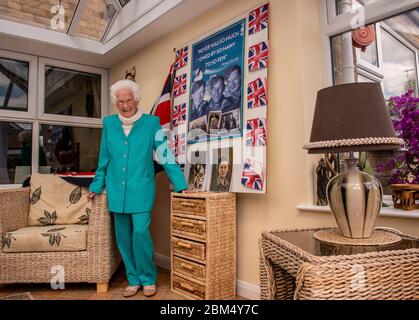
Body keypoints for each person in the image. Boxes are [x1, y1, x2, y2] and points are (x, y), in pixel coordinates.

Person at [87, 80, 188, 298]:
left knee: (140, 233)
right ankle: (133, 279)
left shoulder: (152, 123)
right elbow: (104, 158)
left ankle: (148, 278)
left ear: (136, 99)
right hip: (115, 190)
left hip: (141, 188)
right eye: (120, 102)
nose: (125, 105)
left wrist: (180, 184)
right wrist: (96, 185)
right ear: (116, 103)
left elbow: (164, 154)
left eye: (128, 100)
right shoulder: (109, 123)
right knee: (122, 237)